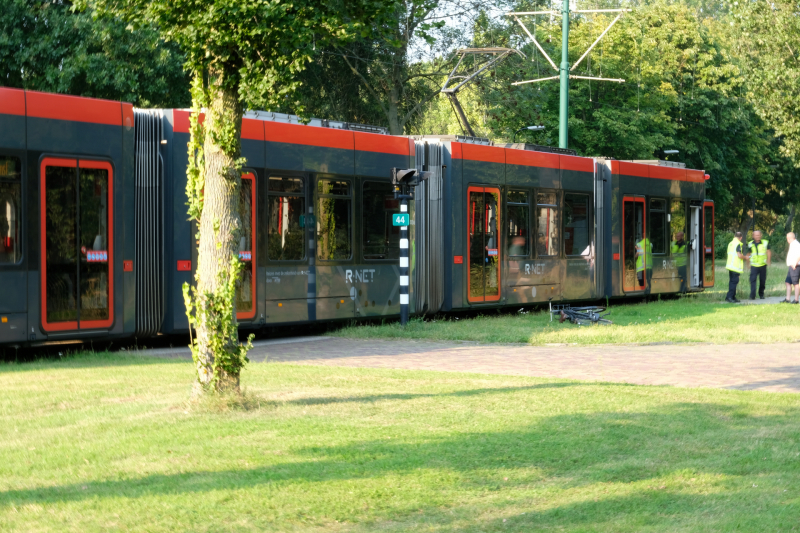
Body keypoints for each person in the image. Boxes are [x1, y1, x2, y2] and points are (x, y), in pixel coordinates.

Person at [725, 231, 750, 303]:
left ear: (734, 236)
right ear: (741, 237)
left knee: (732, 282)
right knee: (734, 282)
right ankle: (730, 297)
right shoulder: (738, 244)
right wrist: (745, 257)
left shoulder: (730, 243)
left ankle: (732, 297)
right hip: (735, 266)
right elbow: (739, 255)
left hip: (730, 266)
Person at [747, 230, 771, 300]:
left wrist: (768, 261)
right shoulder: (750, 244)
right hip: (754, 265)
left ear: (761, 235)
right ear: (753, 236)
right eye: (756, 235)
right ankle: (752, 295)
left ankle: (761, 294)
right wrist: (748, 263)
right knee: (752, 280)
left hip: (762, 265)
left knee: (762, 281)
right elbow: (748, 254)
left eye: (759, 235)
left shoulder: (765, 242)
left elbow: (768, 252)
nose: (758, 236)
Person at [783, 232, 800, 303]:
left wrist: (795, 263)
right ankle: (788, 299)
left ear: (789, 238)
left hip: (795, 266)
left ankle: (796, 300)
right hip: (791, 266)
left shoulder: (796, 244)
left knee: (795, 283)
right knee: (787, 282)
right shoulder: (792, 244)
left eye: (787, 238)